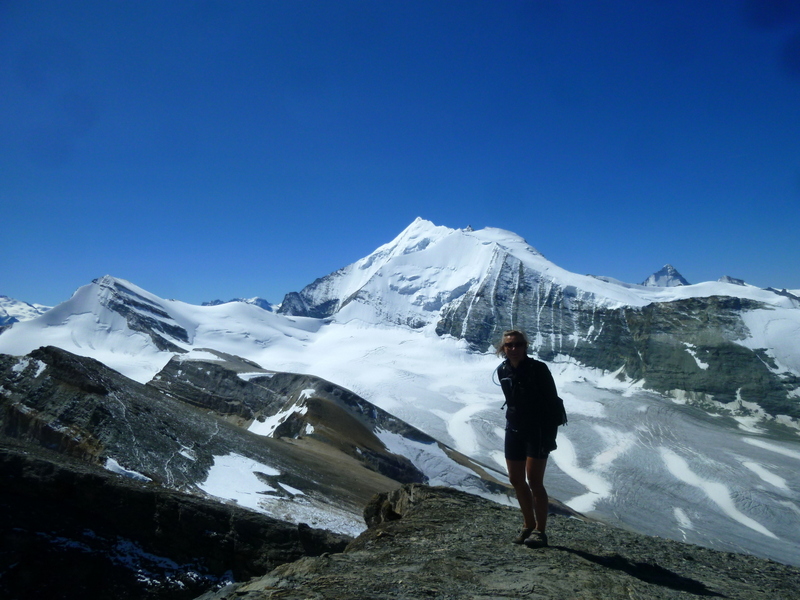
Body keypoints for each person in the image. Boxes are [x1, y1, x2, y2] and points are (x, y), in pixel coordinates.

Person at [495, 329, 565, 548]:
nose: (513, 349)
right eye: (509, 345)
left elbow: (553, 403)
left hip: (537, 431)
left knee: (534, 482)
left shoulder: (538, 369)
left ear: (525, 346)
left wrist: (549, 436)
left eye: (517, 344)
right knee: (516, 480)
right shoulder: (503, 370)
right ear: (503, 348)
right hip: (514, 428)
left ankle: (540, 531)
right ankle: (528, 524)